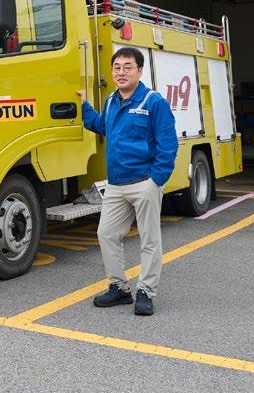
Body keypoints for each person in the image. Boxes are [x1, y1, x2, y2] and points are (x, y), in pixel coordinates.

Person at [76, 46, 177, 316]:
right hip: (116, 184)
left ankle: (146, 291)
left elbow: (168, 145)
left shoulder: (154, 102)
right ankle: (119, 288)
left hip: (144, 182)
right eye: (117, 67)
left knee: (149, 240)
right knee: (107, 234)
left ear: (140, 71)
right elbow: (102, 126)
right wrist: (84, 106)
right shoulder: (111, 101)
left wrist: (155, 181)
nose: (121, 72)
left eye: (127, 67)